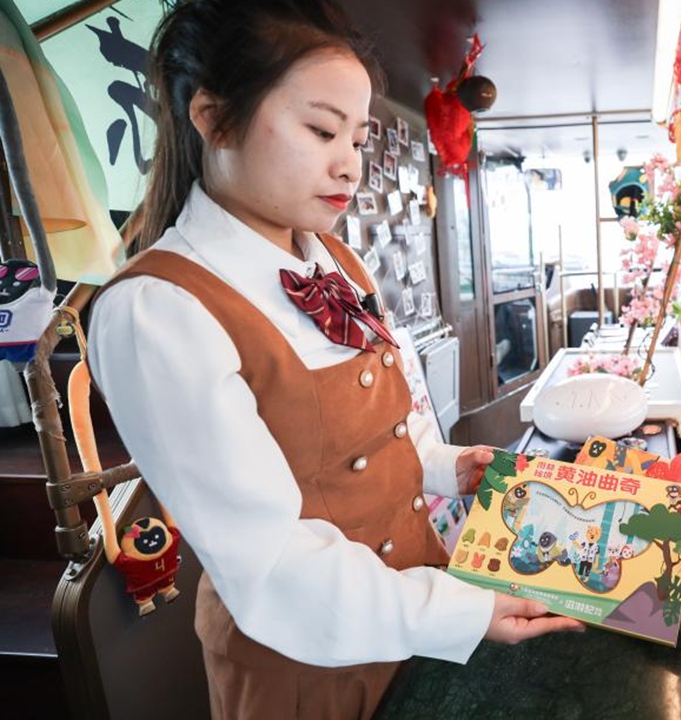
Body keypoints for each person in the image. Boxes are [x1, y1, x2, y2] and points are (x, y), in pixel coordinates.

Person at [87, 1, 583, 718]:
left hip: (414, 620)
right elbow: (269, 566)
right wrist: (454, 611)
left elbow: (393, 413)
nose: (348, 164)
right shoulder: (156, 311)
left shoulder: (338, 262)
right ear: (212, 116)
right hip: (306, 671)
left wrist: (446, 464)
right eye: (321, 130)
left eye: (357, 136)